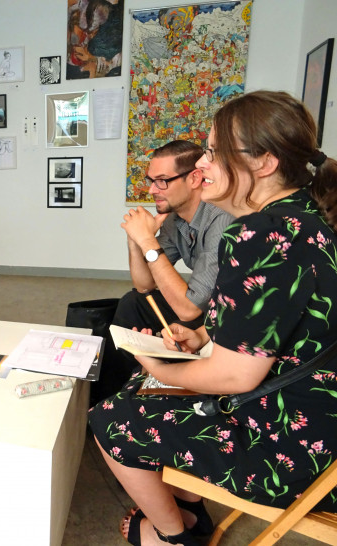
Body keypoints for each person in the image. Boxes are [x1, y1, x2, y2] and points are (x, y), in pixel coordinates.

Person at [90, 90, 337, 545]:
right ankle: (188, 510)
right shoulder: (301, 218)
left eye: (212, 152)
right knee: (145, 381)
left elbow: (236, 375)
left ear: (263, 163)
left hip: (294, 444)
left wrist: (161, 368)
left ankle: (173, 536)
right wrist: (201, 335)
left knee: (111, 418)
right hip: (315, 413)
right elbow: (270, 321)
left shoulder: (259, 235)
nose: (202, 164)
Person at [96, 140, 233, 401]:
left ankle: (152, 385)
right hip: (206, 307)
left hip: (226, 314)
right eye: (151, 180)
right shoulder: (176, 218)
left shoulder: (221, 218)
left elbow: (190, 308)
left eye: (162, 181)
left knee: (151, 310)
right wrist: (136, 241)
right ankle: (122, 389)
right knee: (133, 303)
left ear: (194, 179)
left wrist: (148, 241)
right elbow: (144, 285)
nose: (151, 190)